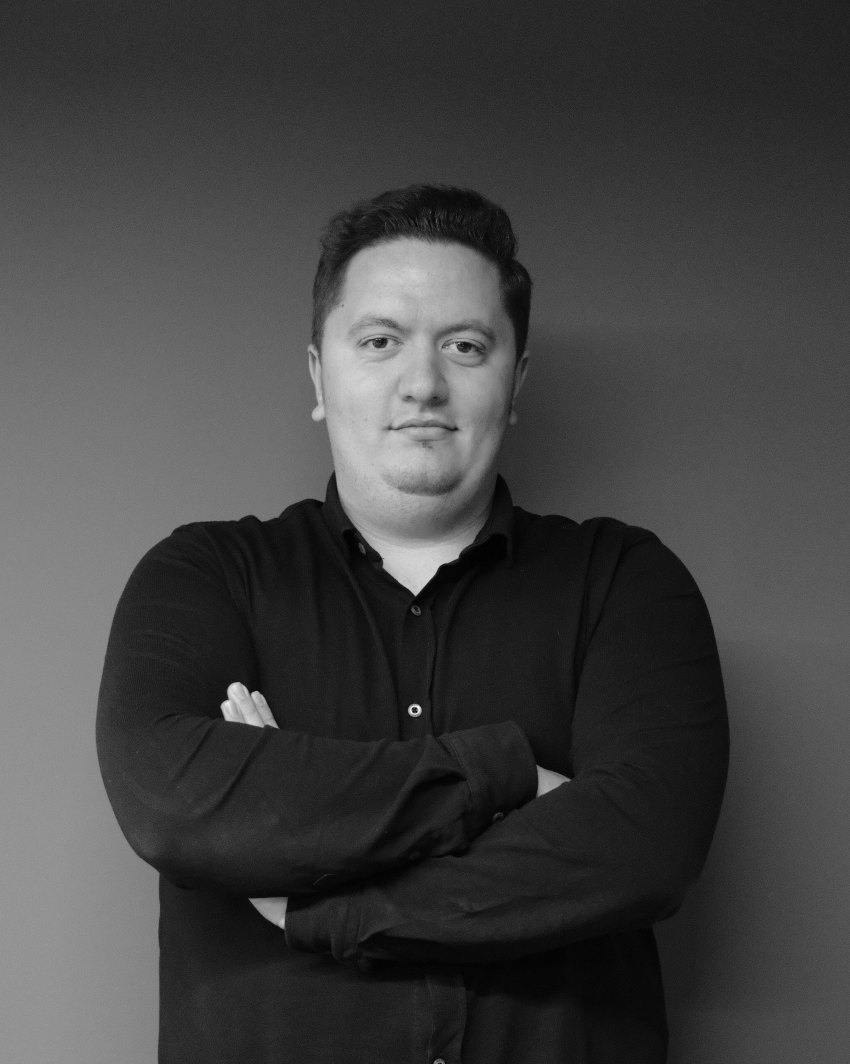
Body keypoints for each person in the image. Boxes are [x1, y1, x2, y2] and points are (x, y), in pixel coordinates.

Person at [97, 184, 729, 1064]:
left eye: (465, 346)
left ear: (515, 382)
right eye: (380, 341)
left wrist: (319, 896)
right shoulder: (205, 576)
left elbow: (646, 849)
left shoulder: (626, 582)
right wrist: (508, 776)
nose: (423, 384)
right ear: (319, 376)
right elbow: (176, 806)